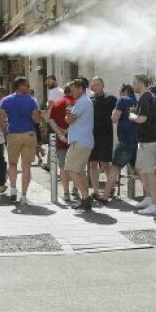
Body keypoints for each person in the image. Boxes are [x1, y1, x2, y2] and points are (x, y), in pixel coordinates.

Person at [0, 76, 42, 205]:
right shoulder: (31, 100)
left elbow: (1, 119)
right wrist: (41, 117)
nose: (29, 88)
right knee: (26, 166)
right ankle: (23, 196)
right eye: (27, 85)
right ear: (20, 86)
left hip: (13, 134)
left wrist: (5, 132)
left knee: (12, 164)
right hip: (29, 134)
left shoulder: (6, 100)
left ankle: (13, 189)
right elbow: (36, 119)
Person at [130, 74, 156, 215]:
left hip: (149, 141)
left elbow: (142, 119)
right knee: (141, 169)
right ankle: (150, 198)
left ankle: (155, 204)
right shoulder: (149, 97)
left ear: (140, 83)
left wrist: (132, 116)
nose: (133, 85)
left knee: (149, 172)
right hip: (147, 141)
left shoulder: (146, 98)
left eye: (134, 82)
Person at [63, 78, 96, 212]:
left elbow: (69, 119)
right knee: (79, 171)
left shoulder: (82, 102)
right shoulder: (85, 101)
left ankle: (86, 197)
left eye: (74, 88)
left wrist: (67, 114)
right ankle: (85, 198)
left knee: (70, 169)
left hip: (80, 142)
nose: (72, 91)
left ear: (81, 89)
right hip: (84, 141)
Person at [88, 77, 118, 202]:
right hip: (92, 136)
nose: (96, 87)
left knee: (106, 164)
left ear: (103, 85)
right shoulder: (89, 100)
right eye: (94, 85)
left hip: (106, 135)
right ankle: (95, 191)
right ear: (91, 87)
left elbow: (118, 114)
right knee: (92, 163)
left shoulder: (111, 99)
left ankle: (110, 187)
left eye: (99, 84)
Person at [48, 85, 76, 201]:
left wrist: (60, 132)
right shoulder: (77, 102)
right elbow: (79, 119)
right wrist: (68, 130)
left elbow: (50, 119)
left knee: (63, 167)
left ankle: (66, 193)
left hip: (60, 139)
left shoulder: (56, 103)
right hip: (76, 138)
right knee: (77, 167)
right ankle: (76, 189)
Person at [111, 84, 139, 197]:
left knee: (115, 167)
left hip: (125, 140)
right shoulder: (138, 101)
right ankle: (150, 196)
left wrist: (114, 111)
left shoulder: (122, 100)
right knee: (139, 170)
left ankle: (106, 195)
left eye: (120, 92)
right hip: (137, 139)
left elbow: (114, 118)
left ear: (125, 92)